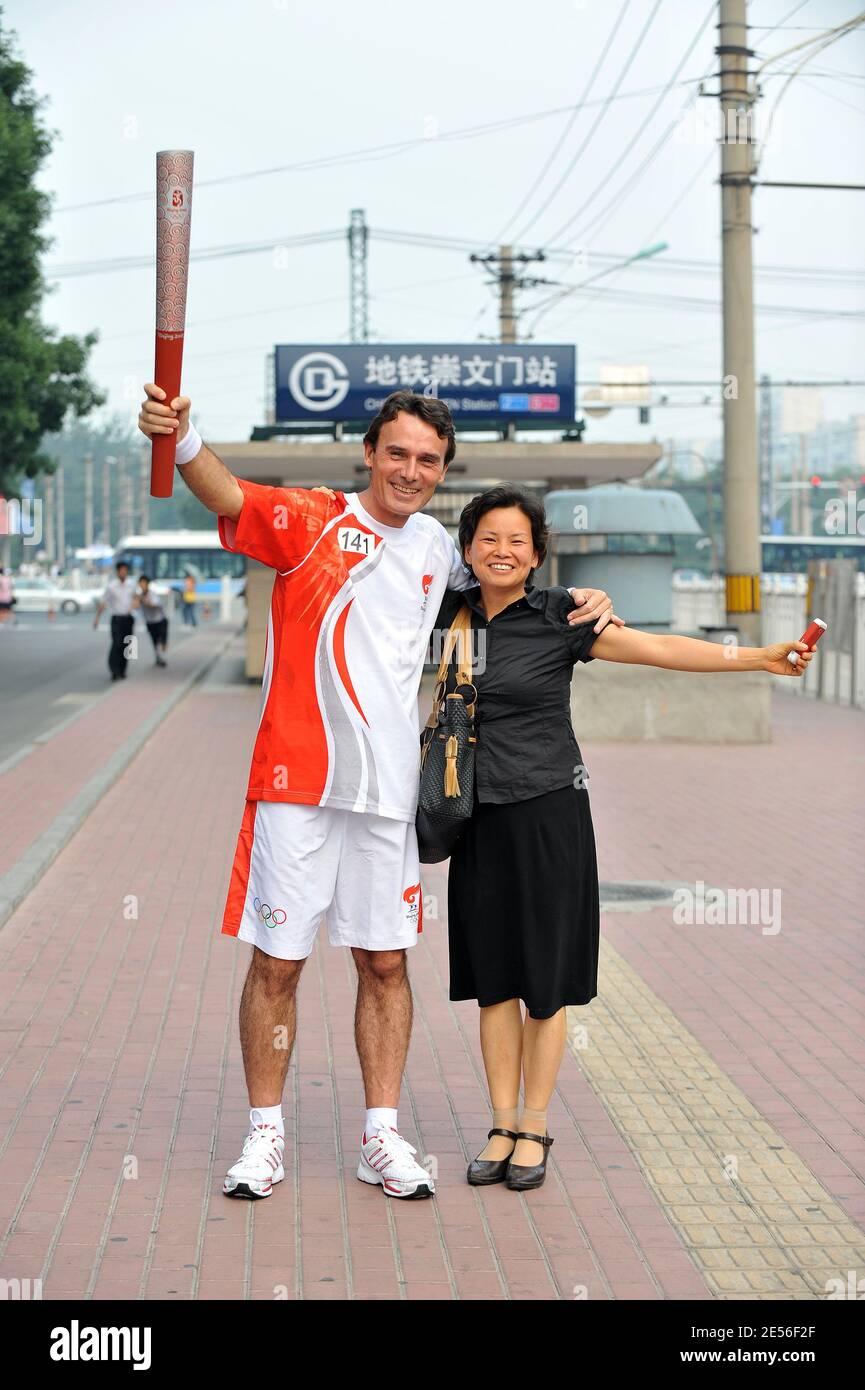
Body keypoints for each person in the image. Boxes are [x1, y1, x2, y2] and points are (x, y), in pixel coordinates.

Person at [137, 382, 620, 1202]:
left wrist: (582, 601)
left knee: (386, 964)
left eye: (427, 459)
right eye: (396, 452)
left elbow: (507, 596)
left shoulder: (436, 548)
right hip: (298, 782)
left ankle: (380, 1138)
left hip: (390, 795)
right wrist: (184, 438)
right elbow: (228, 493)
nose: (410, 469)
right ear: (369, 452)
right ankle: (264, 1136)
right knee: (277, 964)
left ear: (441, 470)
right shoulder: (314, 519)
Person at [435, 485, 816, 1193]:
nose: (501, 551)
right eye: (487, 538)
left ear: (537, 554)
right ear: (466, 549)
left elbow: (658, 648)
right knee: (492, 984)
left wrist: (758, 656)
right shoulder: (447, 618)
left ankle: (533, 1125)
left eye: (517, 540)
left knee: (544, 987)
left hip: (550, 815)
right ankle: (497, 1120)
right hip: (477, 820)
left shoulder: (560, 615)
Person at [93, 560, 137, 680]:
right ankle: (114, 670)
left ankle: (122, 670)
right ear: (117, 572)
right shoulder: (112, 586)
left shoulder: (131, 585)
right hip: (117, 619)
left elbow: (136, 598)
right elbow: (103, 602)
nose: (123, 572)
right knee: (117, 644)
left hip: (128, 618)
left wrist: (134, 606)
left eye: (125, 570)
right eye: (121, 570)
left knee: (127, 645)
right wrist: (97, 619)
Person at [132, 575, 168, 666]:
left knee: (161, 641)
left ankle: (162, 657)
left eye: (144, 583)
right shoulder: (139, 596)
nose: (143, 585)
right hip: (150, 621)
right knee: (155, 641)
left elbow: (154, 605)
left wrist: (142, 600)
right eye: (141, 584)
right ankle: (159, 658)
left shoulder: (152, 594)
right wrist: (136, 600)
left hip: (160, 620)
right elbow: (135, 607)